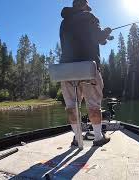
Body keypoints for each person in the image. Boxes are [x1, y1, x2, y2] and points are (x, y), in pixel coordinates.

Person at [59, 0, 112, 146]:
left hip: (66, 70)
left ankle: (77, 138)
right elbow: (99, 38)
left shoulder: (64, 22)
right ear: (84, 5)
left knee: (71, 106)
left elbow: (78, 39)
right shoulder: (89, 17)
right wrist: (106, 32)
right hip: (88, 67)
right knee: (94, 105)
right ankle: (98, 138)